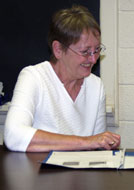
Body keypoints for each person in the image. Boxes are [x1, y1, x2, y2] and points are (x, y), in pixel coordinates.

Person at [4, 5, 120, 152]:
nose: (93, 59)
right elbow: (13, 135)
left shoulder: (96, 86)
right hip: (39, 173)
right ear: (58, 49)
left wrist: (103, 143)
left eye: (97, 50)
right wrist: (86, 142)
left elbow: (98, 148)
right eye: (85, 52)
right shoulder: (34, 77)